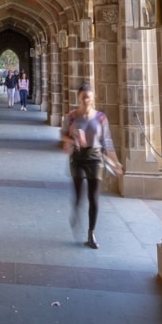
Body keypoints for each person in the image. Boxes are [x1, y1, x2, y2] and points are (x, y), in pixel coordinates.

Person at [61, 82, 123, 249]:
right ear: (79, 98)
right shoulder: (72, 116)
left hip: (95, 158)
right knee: (79, 194)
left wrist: (115, 162)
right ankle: (75, 208)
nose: (86, 100)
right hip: (78, 157)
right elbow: (63, 135)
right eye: (83, 98)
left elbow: (107, 141)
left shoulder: (101, 118)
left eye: (88, 97)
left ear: (93, 98)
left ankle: (91, 233)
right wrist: (73, 140)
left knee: (93, 197)